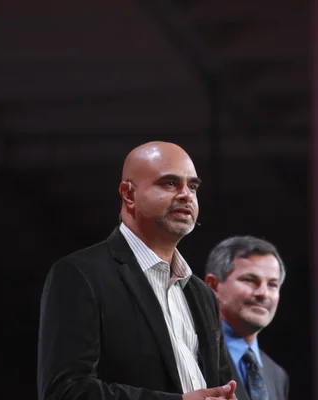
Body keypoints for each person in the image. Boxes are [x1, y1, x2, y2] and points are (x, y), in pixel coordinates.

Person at [37, 141, 237, 400]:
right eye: (170, 183)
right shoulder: (80, 274)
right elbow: (64, 391)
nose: (186, 195)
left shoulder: (202, 294)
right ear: (128, 194)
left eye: (193, 186)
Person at [204, 236, 289, 400]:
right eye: (250, 280)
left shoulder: (277, 375)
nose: (263, 293)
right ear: (213, 285)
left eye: (272, 284)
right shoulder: (192, 352)